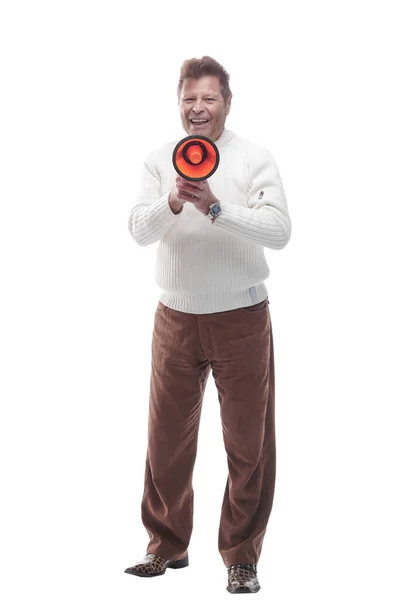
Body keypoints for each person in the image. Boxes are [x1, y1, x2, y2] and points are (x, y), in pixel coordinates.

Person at [125, 56, 291, 594]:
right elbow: (137, 229)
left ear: (226, 102)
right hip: (175, 317)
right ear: (179, 103)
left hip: (241, 316)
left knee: (249, 444)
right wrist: (173, 200)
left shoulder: (254, 158)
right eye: (189, 99)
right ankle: (165, 547)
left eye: (209, 99)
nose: (198, 109)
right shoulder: (158, 161)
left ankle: (241, 556)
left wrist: (218, 208)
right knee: (166, 439)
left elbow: (279, 230)